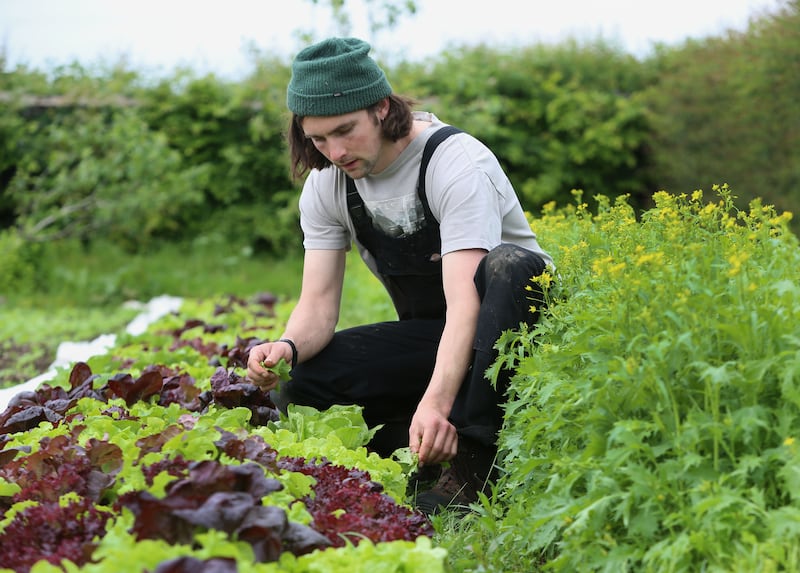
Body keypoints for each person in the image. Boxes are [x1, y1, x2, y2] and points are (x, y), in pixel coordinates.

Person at [246, 37, 553, 515]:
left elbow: (467, 305)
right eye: (319, 139)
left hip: (517, 339)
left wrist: (434, 401)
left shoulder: (454, 163)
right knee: (305, 378)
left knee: (509, 266)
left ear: (382, 109)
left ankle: (477, 468)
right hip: (440, 336)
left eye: (345, 130)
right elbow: (318, 307)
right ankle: (421, 456)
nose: (336, 150)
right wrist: (285, 347)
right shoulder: (327, 186)